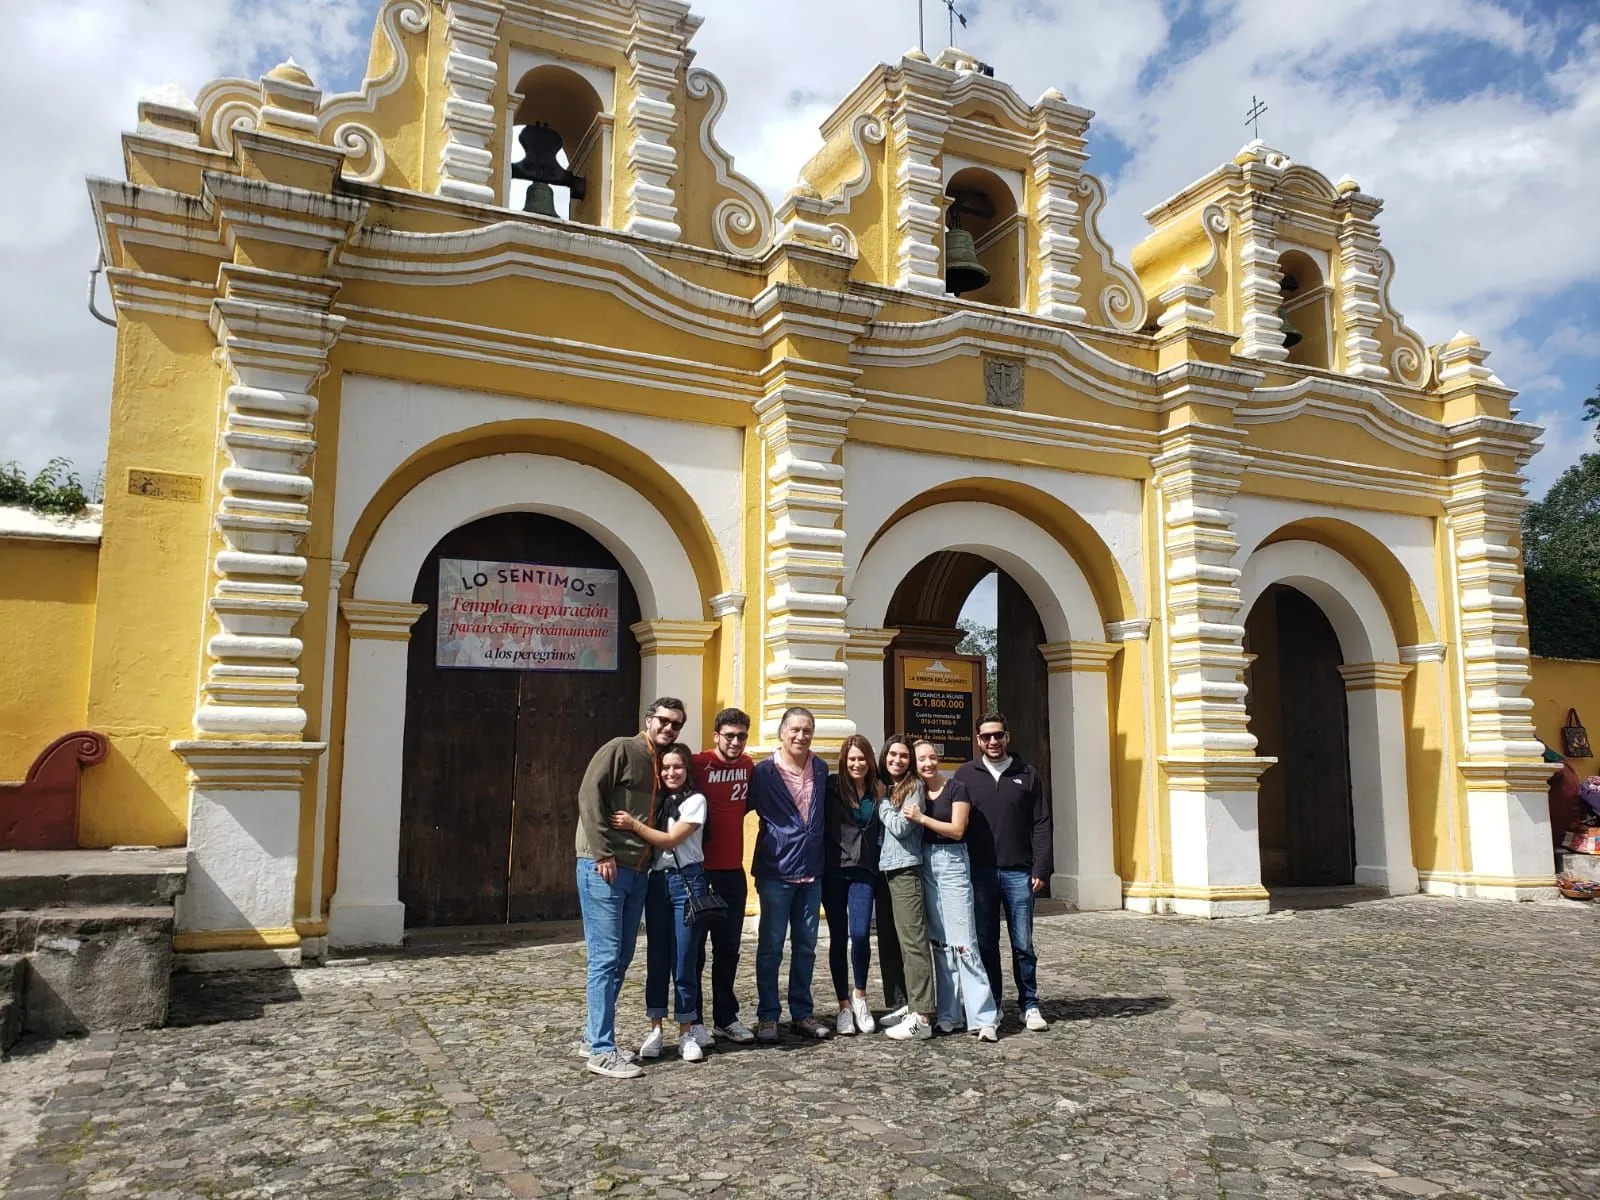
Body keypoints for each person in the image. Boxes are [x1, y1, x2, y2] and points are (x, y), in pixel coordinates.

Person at [574, 696, 686, 1079]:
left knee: (621, 957)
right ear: (648, 718)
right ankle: (602, 1052)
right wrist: (602, 852)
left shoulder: (665, 762)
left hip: (637, 872)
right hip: (604, 867)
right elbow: (589, 795)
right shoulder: (621, 749)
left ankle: (593, 1037)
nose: (669, 728)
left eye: (676, 724)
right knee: (605, 958)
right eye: (664, 720)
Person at [954, 713, 1052, 1033]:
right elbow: (957, 821)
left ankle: (1029, 1004)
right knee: (986, 944)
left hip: (1019, 872)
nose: (993, 741)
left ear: (1007, 737)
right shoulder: (965, 775)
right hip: (980, 873)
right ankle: (993, 1005)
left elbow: (1042, 822)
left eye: (998, 735)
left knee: (1023, 944)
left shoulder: (1028, 774)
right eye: (986, 737)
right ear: (978, 741)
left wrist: (1041, 866)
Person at [611, 743, 709, 1063]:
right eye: (665, 768)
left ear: (687, 770)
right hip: (657, 883)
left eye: (677, 767)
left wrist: (634, 824)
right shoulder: (656, 803)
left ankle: (686, 1030)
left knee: (684, 958)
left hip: (686, 882)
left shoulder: (695, 801)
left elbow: (669, 840)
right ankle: (655, 1027)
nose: (671, 773)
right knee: (656, 958)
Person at [906, 739, 999, 1042]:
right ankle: (949, 1014)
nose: (928, 763)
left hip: (952, 861)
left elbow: (958, 829)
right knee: (940, 943)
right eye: (922, 759)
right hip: (926, 862)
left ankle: (984, 1017)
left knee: (964, 942)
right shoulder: (916, 791)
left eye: (932, 757)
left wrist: (922, 818)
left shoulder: (956, 788)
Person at [749, 706, 831, 1041]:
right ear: (782, 733)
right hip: (776, 871)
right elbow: (735, 809)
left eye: (807, 730)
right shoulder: (763, 772)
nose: (800, 736)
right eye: (794, 730)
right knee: (771, 946)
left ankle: (802, 1013)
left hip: (811, 872)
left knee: (806, 946)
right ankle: (768, 1016)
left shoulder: (821, 768)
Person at [692, 708, 757, 1044]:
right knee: (695, 952)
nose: (735, 742)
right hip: (699, 873)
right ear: (716, 735)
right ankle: (693, 1021)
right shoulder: (696, 764)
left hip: (733, 872)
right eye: (729, 735)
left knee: (728, 949)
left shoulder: (748, 766)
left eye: (741, 736)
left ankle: (726, 1018)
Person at [877, 735, 937, 1041]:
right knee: (898, 942)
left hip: (906, 869)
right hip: (888, 868)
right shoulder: (890, 787)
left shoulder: (912, 786)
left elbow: (901, 827)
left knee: (914, 943)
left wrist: (883, 804)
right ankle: (911, 1004)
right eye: (892, 754)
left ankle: (922, 1016)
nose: (897, 760)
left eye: (903, 756)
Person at [823, 735, 881, 1035]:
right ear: (844, 762)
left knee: (859, 934)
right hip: (834, 870)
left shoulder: (878, 790)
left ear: (870, 760)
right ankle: (843, 1005)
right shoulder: (831, 787)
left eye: (861, 759)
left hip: (864, 871)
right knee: (838, 936)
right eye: (852, 759)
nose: (857, 764)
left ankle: (860, 996)